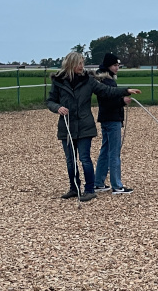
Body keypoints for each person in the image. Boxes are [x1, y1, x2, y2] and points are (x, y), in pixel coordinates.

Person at [47, 51, 140, 201]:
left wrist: (125, 91)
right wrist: (57, 107)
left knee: (85, 158)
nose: (82, 66)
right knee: (70, 160)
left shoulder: (88, 81)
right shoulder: (58, 82)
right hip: (67, 126)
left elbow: (106, 91)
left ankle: (90, 189)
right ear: (71, 64)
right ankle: (73, 187)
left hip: (85, 126)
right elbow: (50, 100)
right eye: (79, 63)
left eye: (83, 63)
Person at [93, 52, 139, 195]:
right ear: (108, 66)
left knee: (105, 151)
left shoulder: (103, 80)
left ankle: (98, 183)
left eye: (118, 65)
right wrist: (122, 101)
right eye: (115, 65)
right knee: (114, 152)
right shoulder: (108, 82)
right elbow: (108, 101)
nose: (117, 68)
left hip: (106, 119)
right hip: (112, 120)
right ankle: (117, 185)